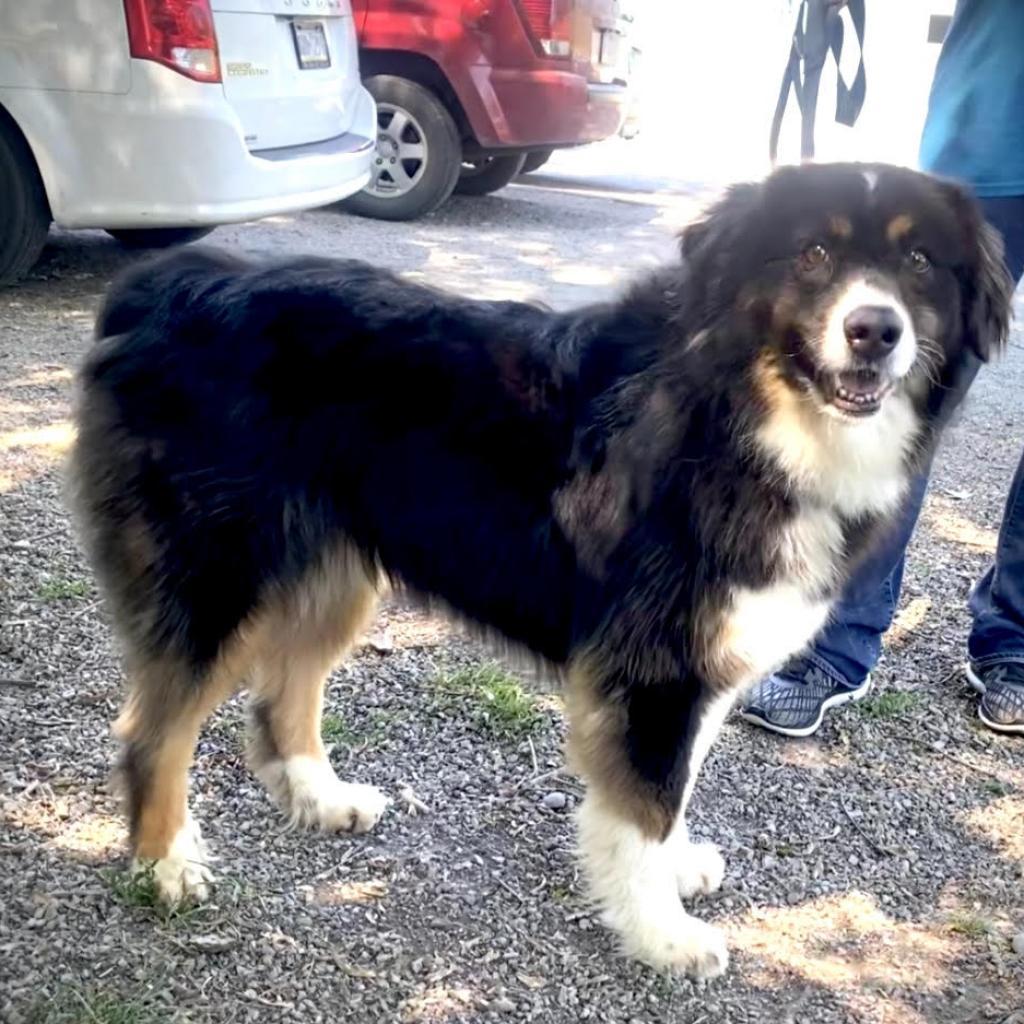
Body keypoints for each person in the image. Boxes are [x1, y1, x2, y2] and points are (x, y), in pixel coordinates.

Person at [741, 0, 1024, 738]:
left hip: (983, 135)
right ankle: (837, 645)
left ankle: (1015, 640)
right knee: (896, 402)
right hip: (988, 142)